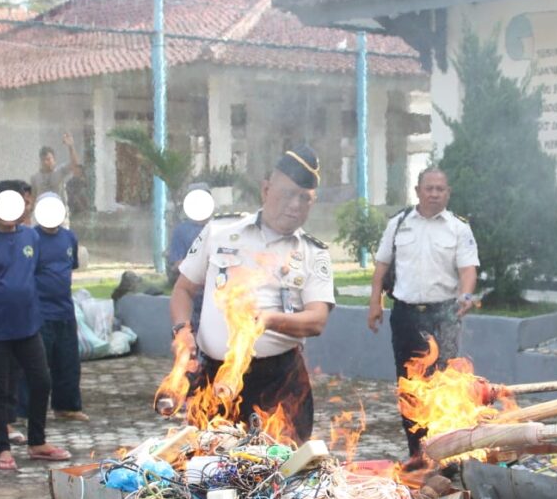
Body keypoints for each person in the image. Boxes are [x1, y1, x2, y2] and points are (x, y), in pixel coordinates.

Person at [169, 146, 334, 443]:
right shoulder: (219, 232)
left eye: (304, 198)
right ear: (266, 189)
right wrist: (182, 331)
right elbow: (183, 289)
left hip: (279, 382)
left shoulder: (314, 252)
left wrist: (267, 320)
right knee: (210, 469)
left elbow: (317, 319)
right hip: (214, 378)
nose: (295, 205)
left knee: (282, 471)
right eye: (287, 194)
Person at [367, 167, 479, 459]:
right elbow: (381, 268)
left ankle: (444, 452)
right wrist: (375, 303)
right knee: (409, 386)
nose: (433, 193)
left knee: (444, 385)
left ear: (448, 193)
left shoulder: (458, 228)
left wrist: (466, 295)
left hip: (444, 317)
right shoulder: (399, 224)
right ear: (417, 190)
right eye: (428, 188)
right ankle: (417, 453)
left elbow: (468, 270)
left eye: (439, 189)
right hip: (405, 317)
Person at [0, 180, 71, 470]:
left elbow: (29, 273)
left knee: (41, 381)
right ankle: (3, 449)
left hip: (28, 326)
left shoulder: (30, 238)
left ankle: (38, 442)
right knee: (0, 389)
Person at [33, 193, 87, 422]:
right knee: (37, 365)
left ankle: (67, 407)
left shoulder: (69, 238)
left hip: (65, 309)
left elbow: (71, 267)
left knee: (68, 362)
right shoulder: (30, 238)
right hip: (39, 312)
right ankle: (27, 409)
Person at [30, 132, 83, 201]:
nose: (46, 162)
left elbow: (75, 164)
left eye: (49, 159)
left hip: (60, 208)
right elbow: (33, 198)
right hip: (42, 209)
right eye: (43, 160)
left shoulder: (60, 171)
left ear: (54, 160)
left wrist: (71, 146)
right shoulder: (35, 178)